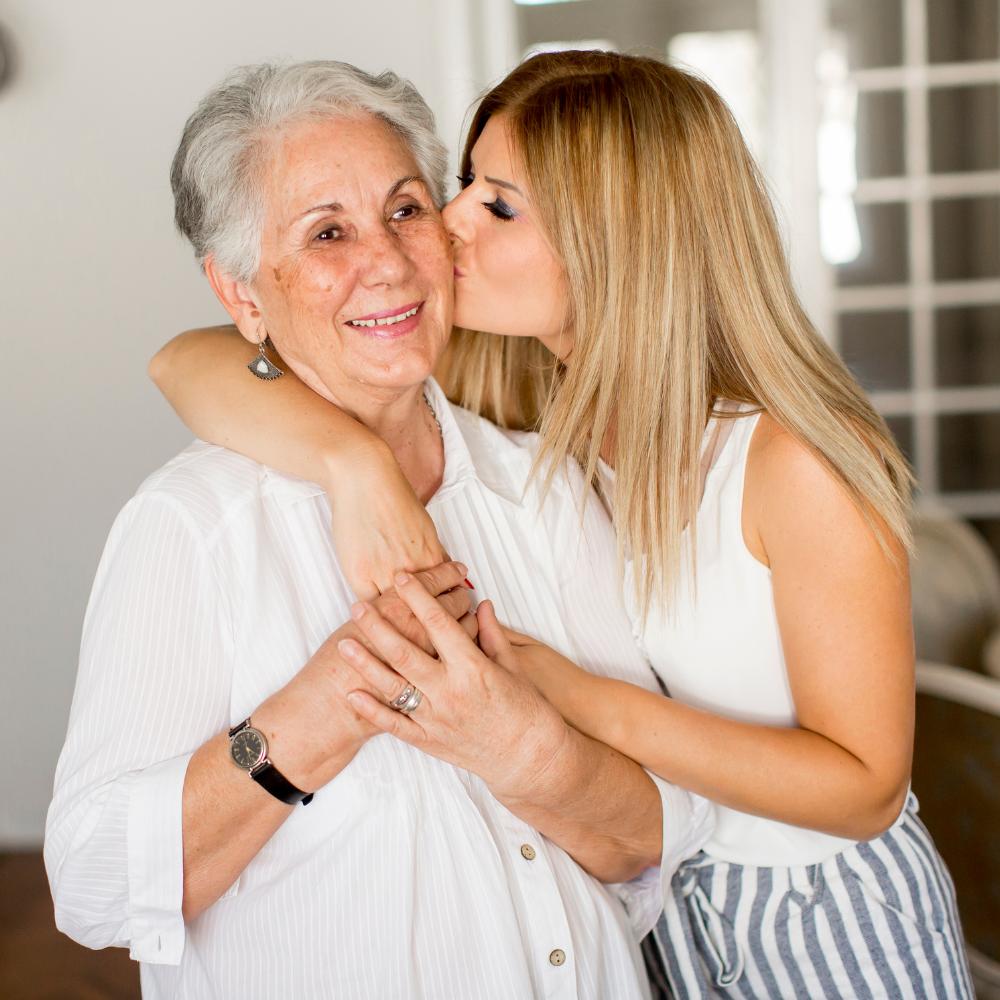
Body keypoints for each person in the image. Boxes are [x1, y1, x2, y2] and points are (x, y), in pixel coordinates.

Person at [150, 51, 974, 999]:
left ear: (615, 240)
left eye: (498, 206)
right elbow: (189, 359)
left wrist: (572, 697)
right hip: (663, 910)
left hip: (820, 914)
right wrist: (355, 468)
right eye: (463, 184)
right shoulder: (522, 403)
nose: (443, 222)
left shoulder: (792, 463)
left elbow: (865, 788)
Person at [45, 60, 713, 1000]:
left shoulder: (548, 490)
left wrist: (521, 750)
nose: (389, 262)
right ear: (241, 295)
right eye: (327, 233)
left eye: (406, 209)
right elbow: (95, 886)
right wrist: (317, 715)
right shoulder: (190, 527)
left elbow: (658, 835)